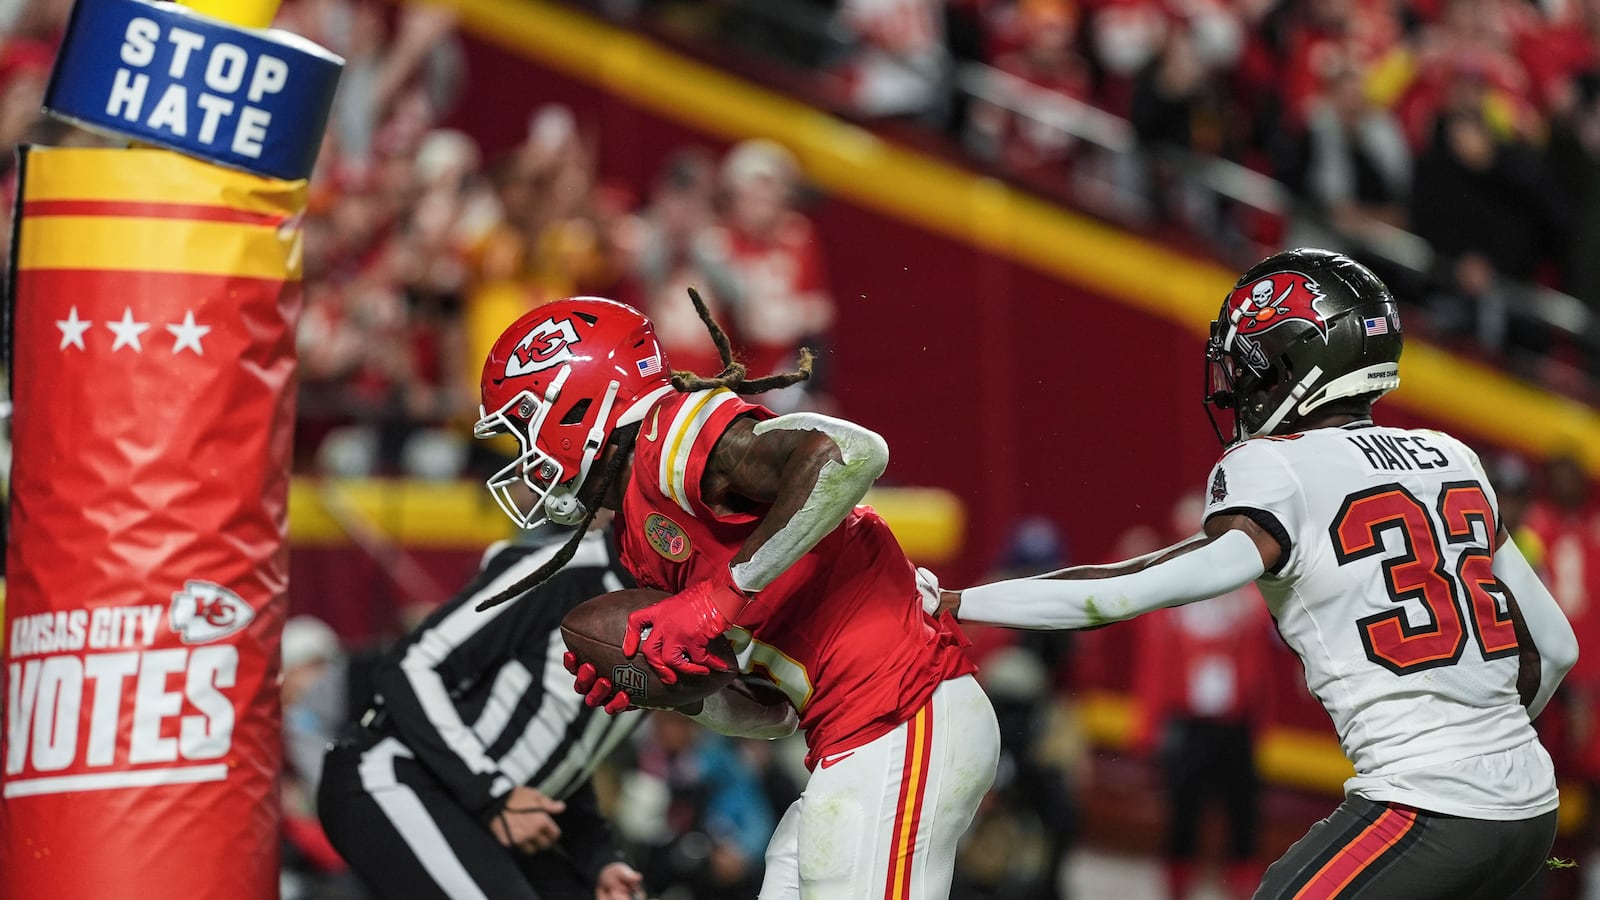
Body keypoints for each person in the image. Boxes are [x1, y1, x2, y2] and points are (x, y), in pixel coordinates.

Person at [926, 249, 1579, 899]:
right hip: (1531, 809)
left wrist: (957, 600)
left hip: (1429, 806)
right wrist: (1485, 746)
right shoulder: (1451, 456)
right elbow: (1555, 647)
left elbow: (1129, 589)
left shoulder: (1275, 469)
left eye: (1250, 366)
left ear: (1296, 360)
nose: (1238, 383)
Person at [470, 291, 998, 899]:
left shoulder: (672, 437)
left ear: (580, 401)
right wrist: (671, 688)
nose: (525, 457)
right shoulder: (639, 540)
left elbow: (851, 453)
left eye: (524, 425)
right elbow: (770, 714)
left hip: (904, 707)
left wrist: (720, 596)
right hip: (848, 731)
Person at [317, 523, 797, 900]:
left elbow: (564, 755)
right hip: (398, 775)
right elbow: (408, 665)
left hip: (497, 808)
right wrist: (493, 794)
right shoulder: (563, 569)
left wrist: (599, 859)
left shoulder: (670, 619)